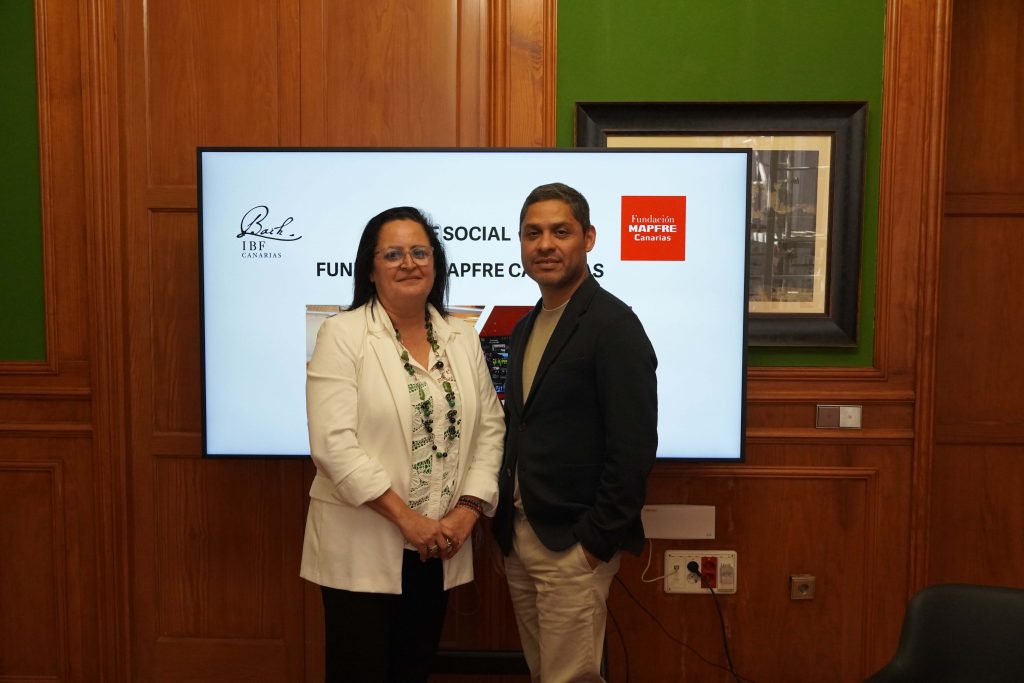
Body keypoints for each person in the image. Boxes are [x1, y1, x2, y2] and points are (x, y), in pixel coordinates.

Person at [301, 206, 505, 682]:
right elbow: (333, 444)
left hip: (440, 547)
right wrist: (408, 520)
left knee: (413, 669)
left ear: (436, 264)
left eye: (419, 252)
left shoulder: (461, 336)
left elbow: (491, 429)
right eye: (392, 254)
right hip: (365, 546)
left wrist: (466, 513)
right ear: (371, 271)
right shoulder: (342, 333)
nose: (408, 263)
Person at [493, 183, 658, 682]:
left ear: (588, 239)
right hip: (521, 537)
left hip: (571, 542)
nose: (545, 244)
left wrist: (594, 541)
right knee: (546, 673)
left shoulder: (614, 325)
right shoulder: (524, 327)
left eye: (560, 232)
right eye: (533, 233)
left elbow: (633, 447)